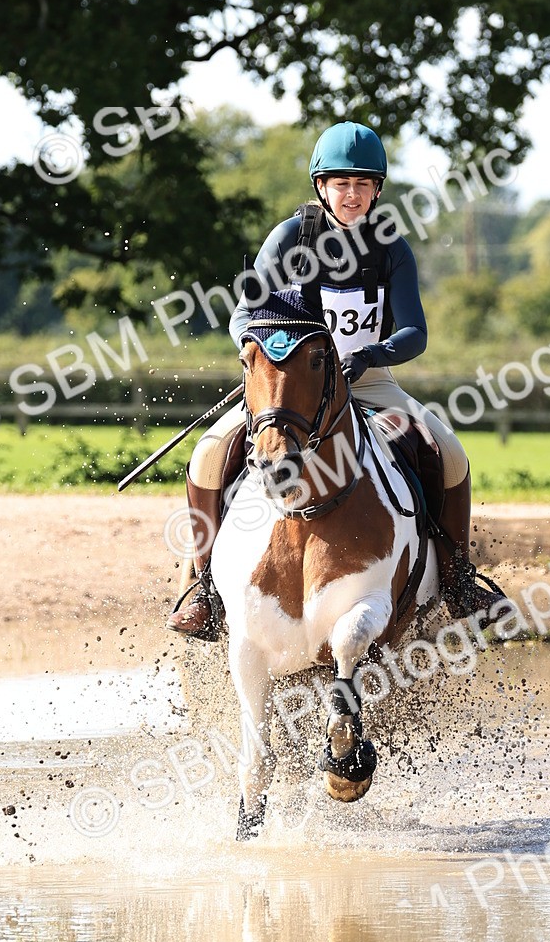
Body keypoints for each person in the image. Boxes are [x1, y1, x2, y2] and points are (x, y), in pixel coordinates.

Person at [167, 120, 503, 638]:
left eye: (364, 185)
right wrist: (269, 357)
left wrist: (373, 354)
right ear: (320, 186)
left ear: (377, 190)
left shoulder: (391, 248)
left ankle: (458, 581)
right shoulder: (289, 239)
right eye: (342, 184)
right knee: (210, 453)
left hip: (366, 379)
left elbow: (415, 332)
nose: (353, 195)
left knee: (449, 451)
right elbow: (244, 315)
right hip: (292, 387)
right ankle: (202, 586)